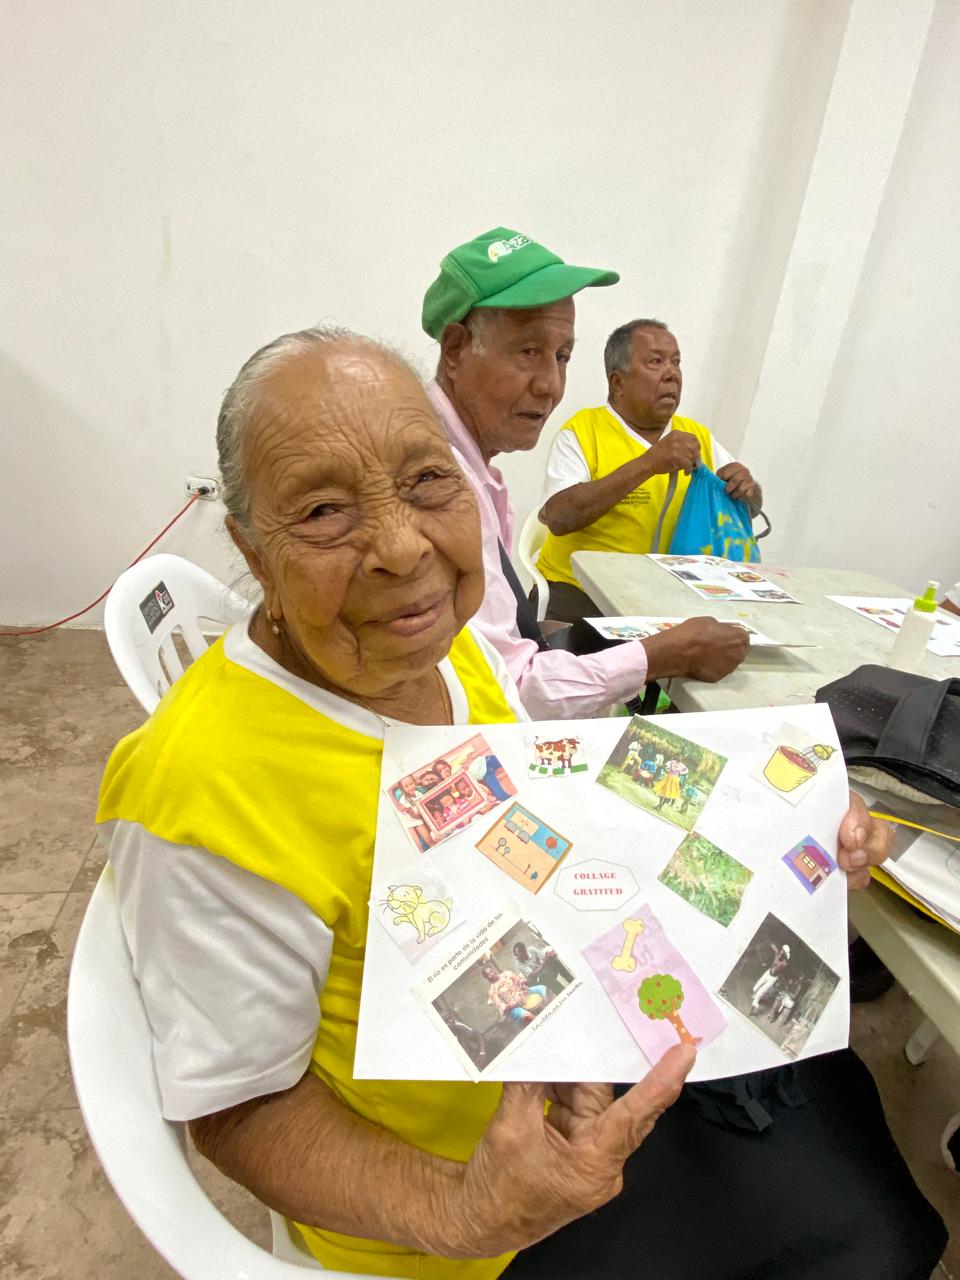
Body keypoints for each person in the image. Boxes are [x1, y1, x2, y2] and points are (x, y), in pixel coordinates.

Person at [96, 325, 942, 1280]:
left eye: (428, 481)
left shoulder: (443, 641)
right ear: (251, 548)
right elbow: (239, 1109)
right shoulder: (202, 794)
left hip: (580, 1037)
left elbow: (541, 795)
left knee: (838, 1109)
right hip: (478, 1206)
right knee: (871, 1243)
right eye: (325, 510)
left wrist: (788, 833)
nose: (402, 548)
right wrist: (461, 1209)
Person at [422, 228, 750, 717]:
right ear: (455, 350)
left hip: (650, 601)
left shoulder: (695, 435)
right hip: (580, 601)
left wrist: (745, 485)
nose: (550, 385)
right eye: (528, 351)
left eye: (562, 357)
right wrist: (665, 654)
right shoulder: (442, 484)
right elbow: (512, 691)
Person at [536, 319, 763, 624]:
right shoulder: (582, 432)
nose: (672, 374)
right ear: (618, 382)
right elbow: (559, 517)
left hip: (669, 598)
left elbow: (749, 511)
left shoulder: (696, 437)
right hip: (582, 594)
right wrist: (649, 463)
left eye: (676, 362)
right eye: (656, 362)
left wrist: (748, 489)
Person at [483, 963, 549, 1025]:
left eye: (491, 971)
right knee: (527, 1016)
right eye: (488, 975)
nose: (491, 974)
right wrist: (515, 1005)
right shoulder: (492, 991)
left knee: (544, 988)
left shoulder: (507, 974)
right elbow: (503, 1007)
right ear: (487, 978)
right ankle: (540, 1023)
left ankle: (548, 1008)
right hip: (513, 1008)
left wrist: (523, 983)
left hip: (524, 994)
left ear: (494, 970)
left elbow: (519, 982)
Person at [751, 942, 791, 1014]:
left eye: (783, 951)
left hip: (772, 978)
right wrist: (770, 943)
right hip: (768, 973)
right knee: (755, 988)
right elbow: (773, 947)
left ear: (785, 954)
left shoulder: (784, 963)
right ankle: (756, 998)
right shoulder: (778, 954)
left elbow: (778, 965)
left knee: (760, 992)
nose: (781, 951)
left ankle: (755, 1006)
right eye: (781, 950)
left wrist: (779, 955)